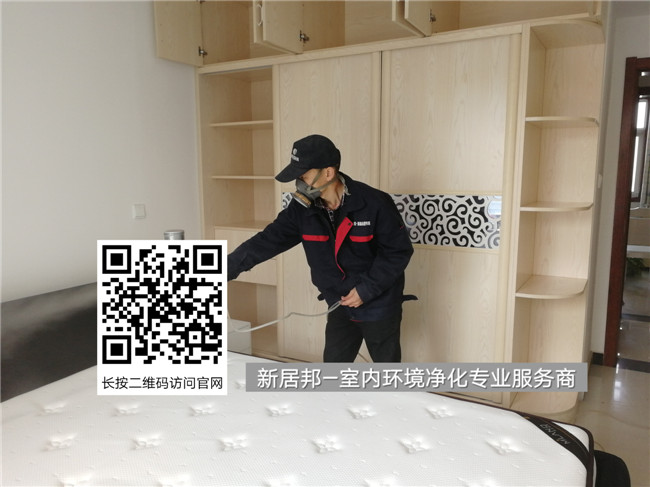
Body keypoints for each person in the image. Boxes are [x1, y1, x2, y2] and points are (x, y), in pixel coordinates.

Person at [227, 134, 414, 362]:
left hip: (378, 304)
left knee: (388, 373)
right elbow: (266, 241)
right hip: (339, 303)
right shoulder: (301, 210)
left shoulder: (374, 203)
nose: (299, 183)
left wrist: (366, 290)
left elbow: (397, 251)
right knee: (332, 372)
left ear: (328, 172)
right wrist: (224, 268)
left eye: (303, 176)